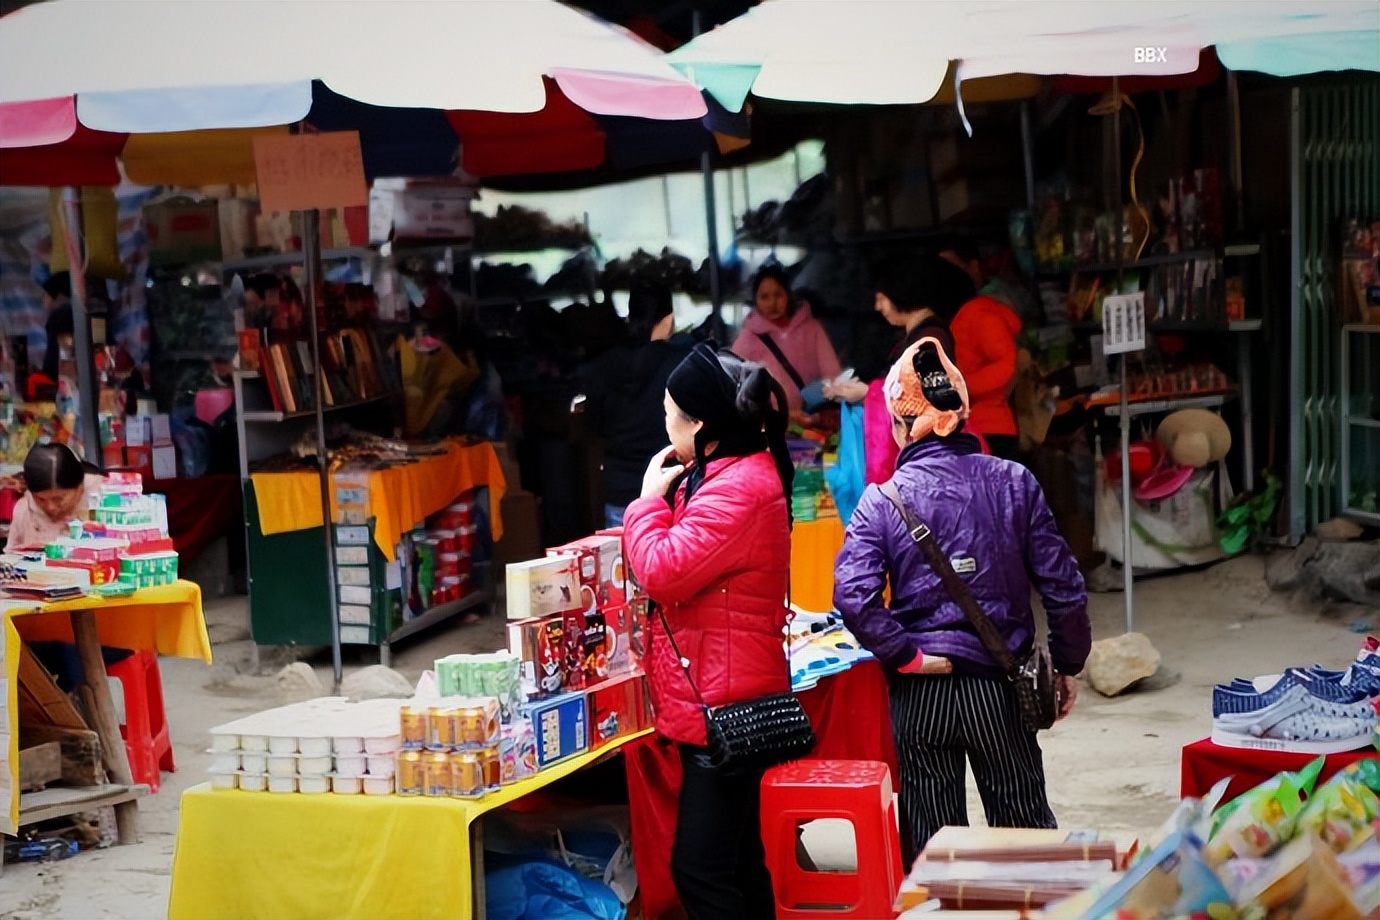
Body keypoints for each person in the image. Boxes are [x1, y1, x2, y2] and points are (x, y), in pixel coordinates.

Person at [833, 337, 1090, 864]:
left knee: (932, 851)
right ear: (963, 414)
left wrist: (906, 655)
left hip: (921, 692)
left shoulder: (881, 502)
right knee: (1026, 841)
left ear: (901, 426)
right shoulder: (1014, 482)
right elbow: (1063, 586)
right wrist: (1067, 664)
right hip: (1000, 687)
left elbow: (852, 595)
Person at [622, 343, 794, 920]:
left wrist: (646, 503)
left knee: (699, 870)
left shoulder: (737, 489)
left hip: (724, 702)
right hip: (724, 692)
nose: (663, 422)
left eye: (670, 411)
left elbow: (664, 571)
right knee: (739, 862)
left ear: (700, 423)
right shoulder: (728, 471)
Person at [833, 254, 973, 484]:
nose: (878, 307)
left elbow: (931, 403)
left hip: (928, 463)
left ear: (901, 293)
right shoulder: (919, 336)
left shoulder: (929, 339)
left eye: (881, 298)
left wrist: (867, 393)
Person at [583, 281, 694, 527]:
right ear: (669, 318)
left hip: (619, 490)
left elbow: (592, 424)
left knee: (621, 564)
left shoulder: (602, 365)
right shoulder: (681, 365)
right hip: (670, 487)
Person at [939, 255, 1023, 460]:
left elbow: (1006, 363)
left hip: (988, 427)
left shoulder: (979, 315)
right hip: (977, 426)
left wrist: (962, 387)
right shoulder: (964, 316)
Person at [731, 265, 841, 414]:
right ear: (755, 301)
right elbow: (733, 385)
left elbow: (832, 372)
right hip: (769, 423)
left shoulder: (811, 328)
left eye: (778, 295)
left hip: (812, 418)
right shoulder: (748, 338)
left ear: (788, 295)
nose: (772, 303)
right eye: (764, 297)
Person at [8, 442, 105, 549]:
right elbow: (10, 557)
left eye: (59, 499)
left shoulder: (104, 497)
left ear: (80, 487)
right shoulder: (24, 509)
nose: (51, 507)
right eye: (40, 499)